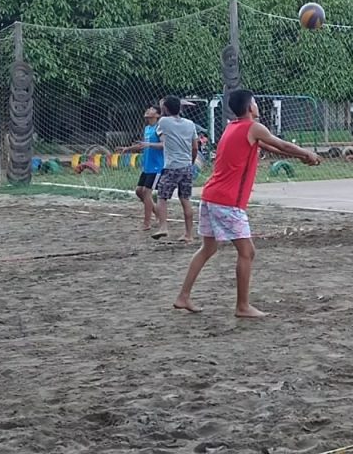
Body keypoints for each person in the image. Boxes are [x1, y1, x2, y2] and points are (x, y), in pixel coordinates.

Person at [173, 89, 320, 318]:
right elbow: (282, 145)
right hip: (227, 201)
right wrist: (307, 153)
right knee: (247, 252)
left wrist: (302, 157)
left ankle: (183, 296)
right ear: (250, 107)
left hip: (211, 196)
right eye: (255, 103)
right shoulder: (253, 127)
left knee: (208, 248)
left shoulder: (233, 127)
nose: (257, 106)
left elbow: (269, 147)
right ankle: (242, 306)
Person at [152, 95, 198, 242]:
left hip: (172, 166)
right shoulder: (190, 124)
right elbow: (195, 147)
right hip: (186, 165)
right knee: (185, 199)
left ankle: (163, 226)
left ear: (165, 108)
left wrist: (166, 105)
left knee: (162, 196)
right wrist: (190, 162)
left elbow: (162, 110)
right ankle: (189, 234)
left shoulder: (164, 122)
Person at [116, 104, 164, 231]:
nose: (148, 110)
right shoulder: (147, 128)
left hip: (157, 166)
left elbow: (164, 144)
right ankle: (159, 215)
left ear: (158, 115)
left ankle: (147, 223)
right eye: (148, 108)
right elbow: (143, 145)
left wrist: (149, 144)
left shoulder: (159, 128)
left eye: (152, 109)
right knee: (139, 191)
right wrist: (127, 149)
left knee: (147, 193)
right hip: (147, 166)